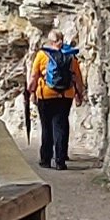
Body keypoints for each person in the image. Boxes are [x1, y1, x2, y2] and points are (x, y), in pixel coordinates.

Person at [27, 23, 88, 170]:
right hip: (65, 96)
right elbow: (78, 78)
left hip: (46, 95)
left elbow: (34, 77)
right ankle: (60, 160)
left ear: (50, 41)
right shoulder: (70, 56)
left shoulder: (42, 55)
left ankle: (46, 159)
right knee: (60, 126)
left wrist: (31, 92)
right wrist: (80, 95)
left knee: (47, 127)